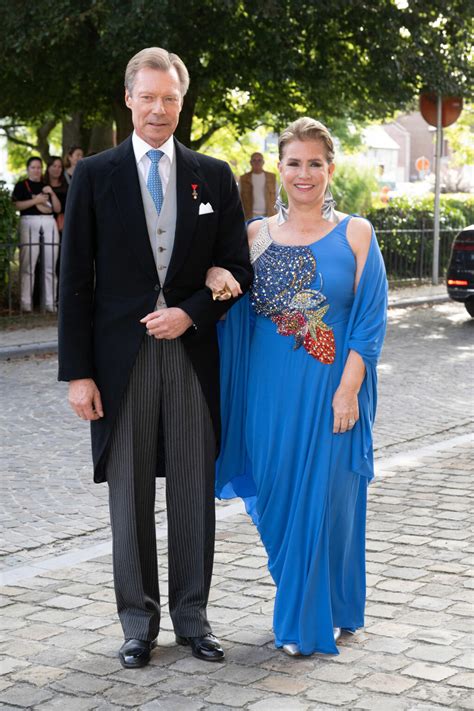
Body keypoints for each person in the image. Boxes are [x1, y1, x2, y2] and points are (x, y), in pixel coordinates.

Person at [58, 47, 252, 669]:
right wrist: (78, 372)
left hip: (193, 357)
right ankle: (137, 624)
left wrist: (192, 311)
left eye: (170, 98)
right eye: (148, 97)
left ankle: (193, 618)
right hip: (121, 363)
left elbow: (237, 271)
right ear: (129, 99)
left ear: (181, 102)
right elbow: (74, 283)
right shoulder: (94, 175)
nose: (159, 109)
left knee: (194, 490)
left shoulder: (214, 176)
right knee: (130, 494)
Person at [208, 117, 387, 656]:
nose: (303, 173)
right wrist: (215, 278)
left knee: (326, 501)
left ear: (330, 169)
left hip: (333, 391)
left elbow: (370, 322)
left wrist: (349, 389)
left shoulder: (357, 233)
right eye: (294, 163)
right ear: (278, 168)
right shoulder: (254, 235)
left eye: (315, 163)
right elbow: (228, 306)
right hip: (265, 397)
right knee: (283, 500)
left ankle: (305, 621)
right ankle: (324, 600)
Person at [12, 156, 61, 312]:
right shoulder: (21, 186)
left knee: (50, 266)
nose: (36, 170)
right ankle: (26, 304)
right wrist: (36, 201)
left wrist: (51, 194)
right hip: (28, 221)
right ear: (28, 169)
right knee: (28, 264)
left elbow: (57, 209)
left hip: (48, 222)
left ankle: (50, 303)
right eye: (33, 167)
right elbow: (16, 205)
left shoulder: (46, 186)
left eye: (39, 167)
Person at [239, 152, 277, 220]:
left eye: (259, 160)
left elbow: (277, 197)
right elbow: (238, 198)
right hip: (249, 216)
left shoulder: (272, 177)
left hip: (269, 215)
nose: (257, 162)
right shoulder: (243, 179)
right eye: (254, 160)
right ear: (250, 162)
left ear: (263, 162)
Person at [44, 156, 68, 233]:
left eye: (59, 167)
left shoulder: (67, 186)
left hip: (64, 225)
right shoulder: (42, 185)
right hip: (45, 224)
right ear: (48, 167)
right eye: (54, 166)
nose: (57, 169)